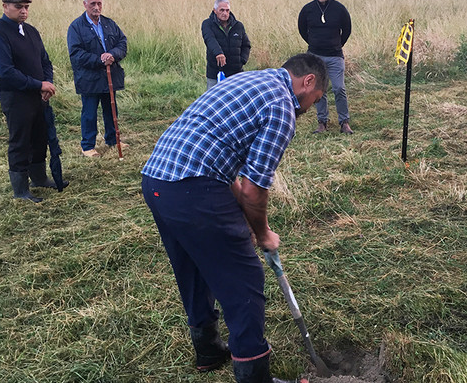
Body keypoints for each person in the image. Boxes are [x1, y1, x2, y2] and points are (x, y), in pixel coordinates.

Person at [141, 53, 328, 383]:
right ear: (308, 82)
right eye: (316, 100)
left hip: (158, 180)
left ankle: (209, 349)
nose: (310, 109)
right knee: (245, 279)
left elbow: (223, 160)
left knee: (195, 267)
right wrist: (263, 232)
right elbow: (255, 189)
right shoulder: (283, 106)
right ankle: (254, 375)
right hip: (193, 188)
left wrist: (242, 216)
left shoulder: (250, 80)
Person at [0, 0, 61, 203]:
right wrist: (39, 84)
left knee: (40, 137)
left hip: (38, 96)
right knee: (20, 142)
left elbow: (45, 61)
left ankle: (39, 178)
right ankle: (20, 190)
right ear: (5, 6)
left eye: (26, 7)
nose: (24, 11)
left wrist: (48, 85)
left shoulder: (31, 31)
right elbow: (5, 72)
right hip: (16, 98)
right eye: (19, 7)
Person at [67, 0, 128, 157]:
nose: (96, 7)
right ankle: (87, 146)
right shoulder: (76, 27)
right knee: (89, 113)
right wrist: (100, 60)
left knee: (111, 110)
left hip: (110, 76)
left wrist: (112, 55)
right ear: (85, 4)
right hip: (89, 79)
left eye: (99, 3)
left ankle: (112, 140)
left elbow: (122, 43)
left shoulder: (109, 24)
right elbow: (76, 54)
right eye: (92, 4)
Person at [298, 0, 353, 134]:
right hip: (315, 57)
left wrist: (336, 45)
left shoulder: (339, 9)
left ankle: (344, 122)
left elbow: (347, 30)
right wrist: (315, 44)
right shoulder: (307, 10)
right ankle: (322, 122)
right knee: (318, 90)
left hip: (335, 56)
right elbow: (302, 30)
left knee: (338, 88)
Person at [202, 0, 251, 90]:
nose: (225, 13)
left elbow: (246, 45)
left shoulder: (238, 26)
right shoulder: (207, 24)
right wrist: (218, 53)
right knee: (213, 100)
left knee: (237, 100)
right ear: (215, 11)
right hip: (215, 72)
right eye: (222, 10)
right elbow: (209, 39)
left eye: (227, 10)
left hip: (236, 72)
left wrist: (242, 60)